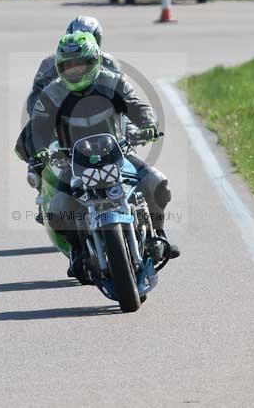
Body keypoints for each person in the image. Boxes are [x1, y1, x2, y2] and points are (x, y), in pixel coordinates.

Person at [29, 32, 179, 283]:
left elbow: (137, 105)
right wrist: (41, 150)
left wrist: (147, 125)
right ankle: (78, 253)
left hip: (117, 154)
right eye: (68, 65)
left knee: (157, 183)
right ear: (59, 67)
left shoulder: (114, 82)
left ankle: (158, 236)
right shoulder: (51, 94)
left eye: (81, 63)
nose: (75, 70)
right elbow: (38, 129)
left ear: (95, 61)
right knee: (57, 210)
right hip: (72, 161)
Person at [15, 16, 122, 163]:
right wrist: (45, 118)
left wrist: (132, 131)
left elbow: (122, 98)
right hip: (64, 117)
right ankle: (37, 168)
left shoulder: (110, 63)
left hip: (101, 118)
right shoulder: (49, 64)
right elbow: (36, 97)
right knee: (33, 132)